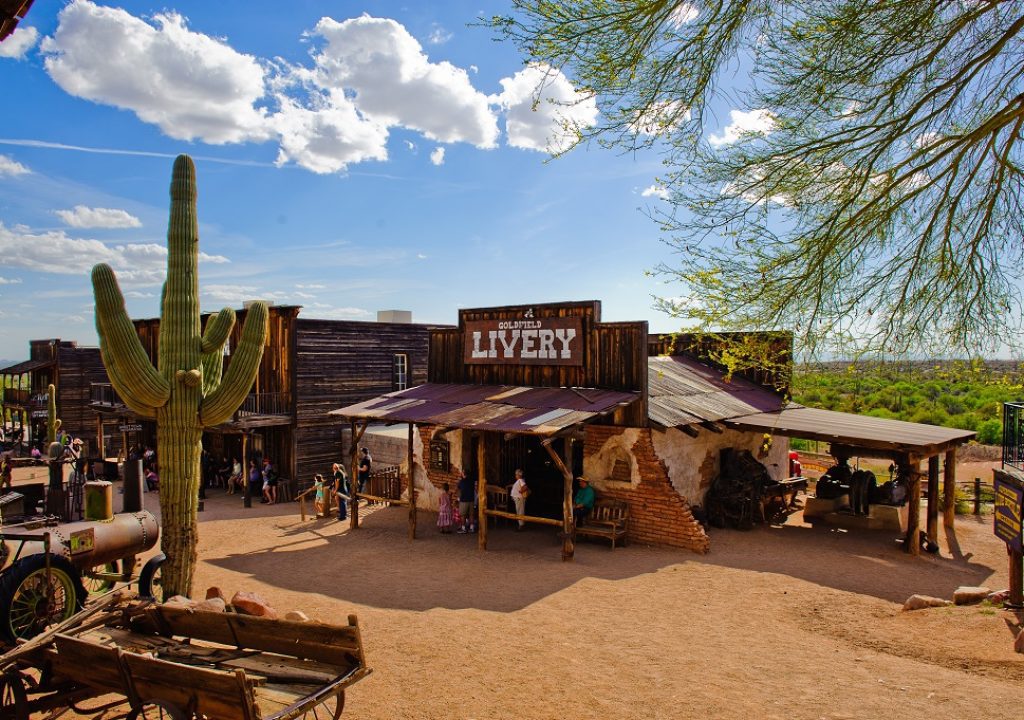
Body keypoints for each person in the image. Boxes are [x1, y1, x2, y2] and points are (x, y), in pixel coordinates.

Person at [456, 468, 476, 534]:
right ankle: (472, 528)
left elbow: (458, 490)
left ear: (464, 473)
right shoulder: (472, 481)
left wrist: (458, 498)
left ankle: (463, 528)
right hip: (471, 500)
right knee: (471, 514)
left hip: (464, 500)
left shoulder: (461, 482)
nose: (461, 473)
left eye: (462, 472)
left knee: (463, 515)